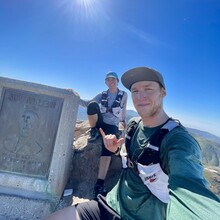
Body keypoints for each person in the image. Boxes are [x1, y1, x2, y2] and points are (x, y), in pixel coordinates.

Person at [43, 66, 220, 220]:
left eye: (148, 89)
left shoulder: (178, 141)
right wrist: (114, 150)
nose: (140, 96)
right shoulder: (134, 125)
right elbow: (91, 104)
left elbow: (190, 192)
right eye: (135, 91)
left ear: (163, 92)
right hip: (109, 204)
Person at [79, 71, 127, 198]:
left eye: (113, 79)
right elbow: (89, 103)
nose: (111, 82)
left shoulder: (123, 95)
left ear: (117, 81)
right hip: (101, 122)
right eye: (108, 80)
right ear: (105, 82)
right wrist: (75, 97)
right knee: (93, 105)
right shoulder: (102, 94)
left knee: (107, 147)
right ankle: (94, 130)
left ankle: (99, 184)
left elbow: (123, 110)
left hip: (112, 125)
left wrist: (122, 127)